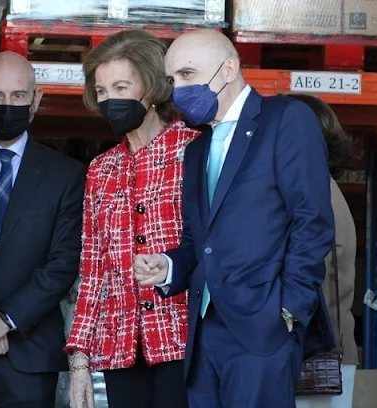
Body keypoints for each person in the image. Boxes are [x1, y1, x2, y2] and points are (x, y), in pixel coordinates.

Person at [132, 29, 336, 408]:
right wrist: (167, 267)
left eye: (189, 75)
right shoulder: (197, 149)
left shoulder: (286, 120)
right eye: (173, 80)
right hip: (205, 333)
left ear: (228, 69)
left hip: (264, 330)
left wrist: (288, 310)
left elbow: (312, 220)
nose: (178, 89)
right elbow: (199, 241)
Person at [65, 29, 200, 408]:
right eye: (102, 91)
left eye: (121, 87)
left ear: (154, 87)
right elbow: (93, 271)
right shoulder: (100, 170)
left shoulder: (193, 151)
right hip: (121, 345)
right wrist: (79, 360)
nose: (110, 100)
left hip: (183, 339)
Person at [0, 51, 85, 408]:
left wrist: (6, 320)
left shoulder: (65, 175)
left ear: (36, 99)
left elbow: (63, 262)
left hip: (28, 352)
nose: (8, 105)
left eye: (19, 96)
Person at [288, 94, 357, 408]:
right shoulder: (325, 188)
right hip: (331, 358)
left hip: (314, 359)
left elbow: (305, 274)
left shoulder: (312, 197)